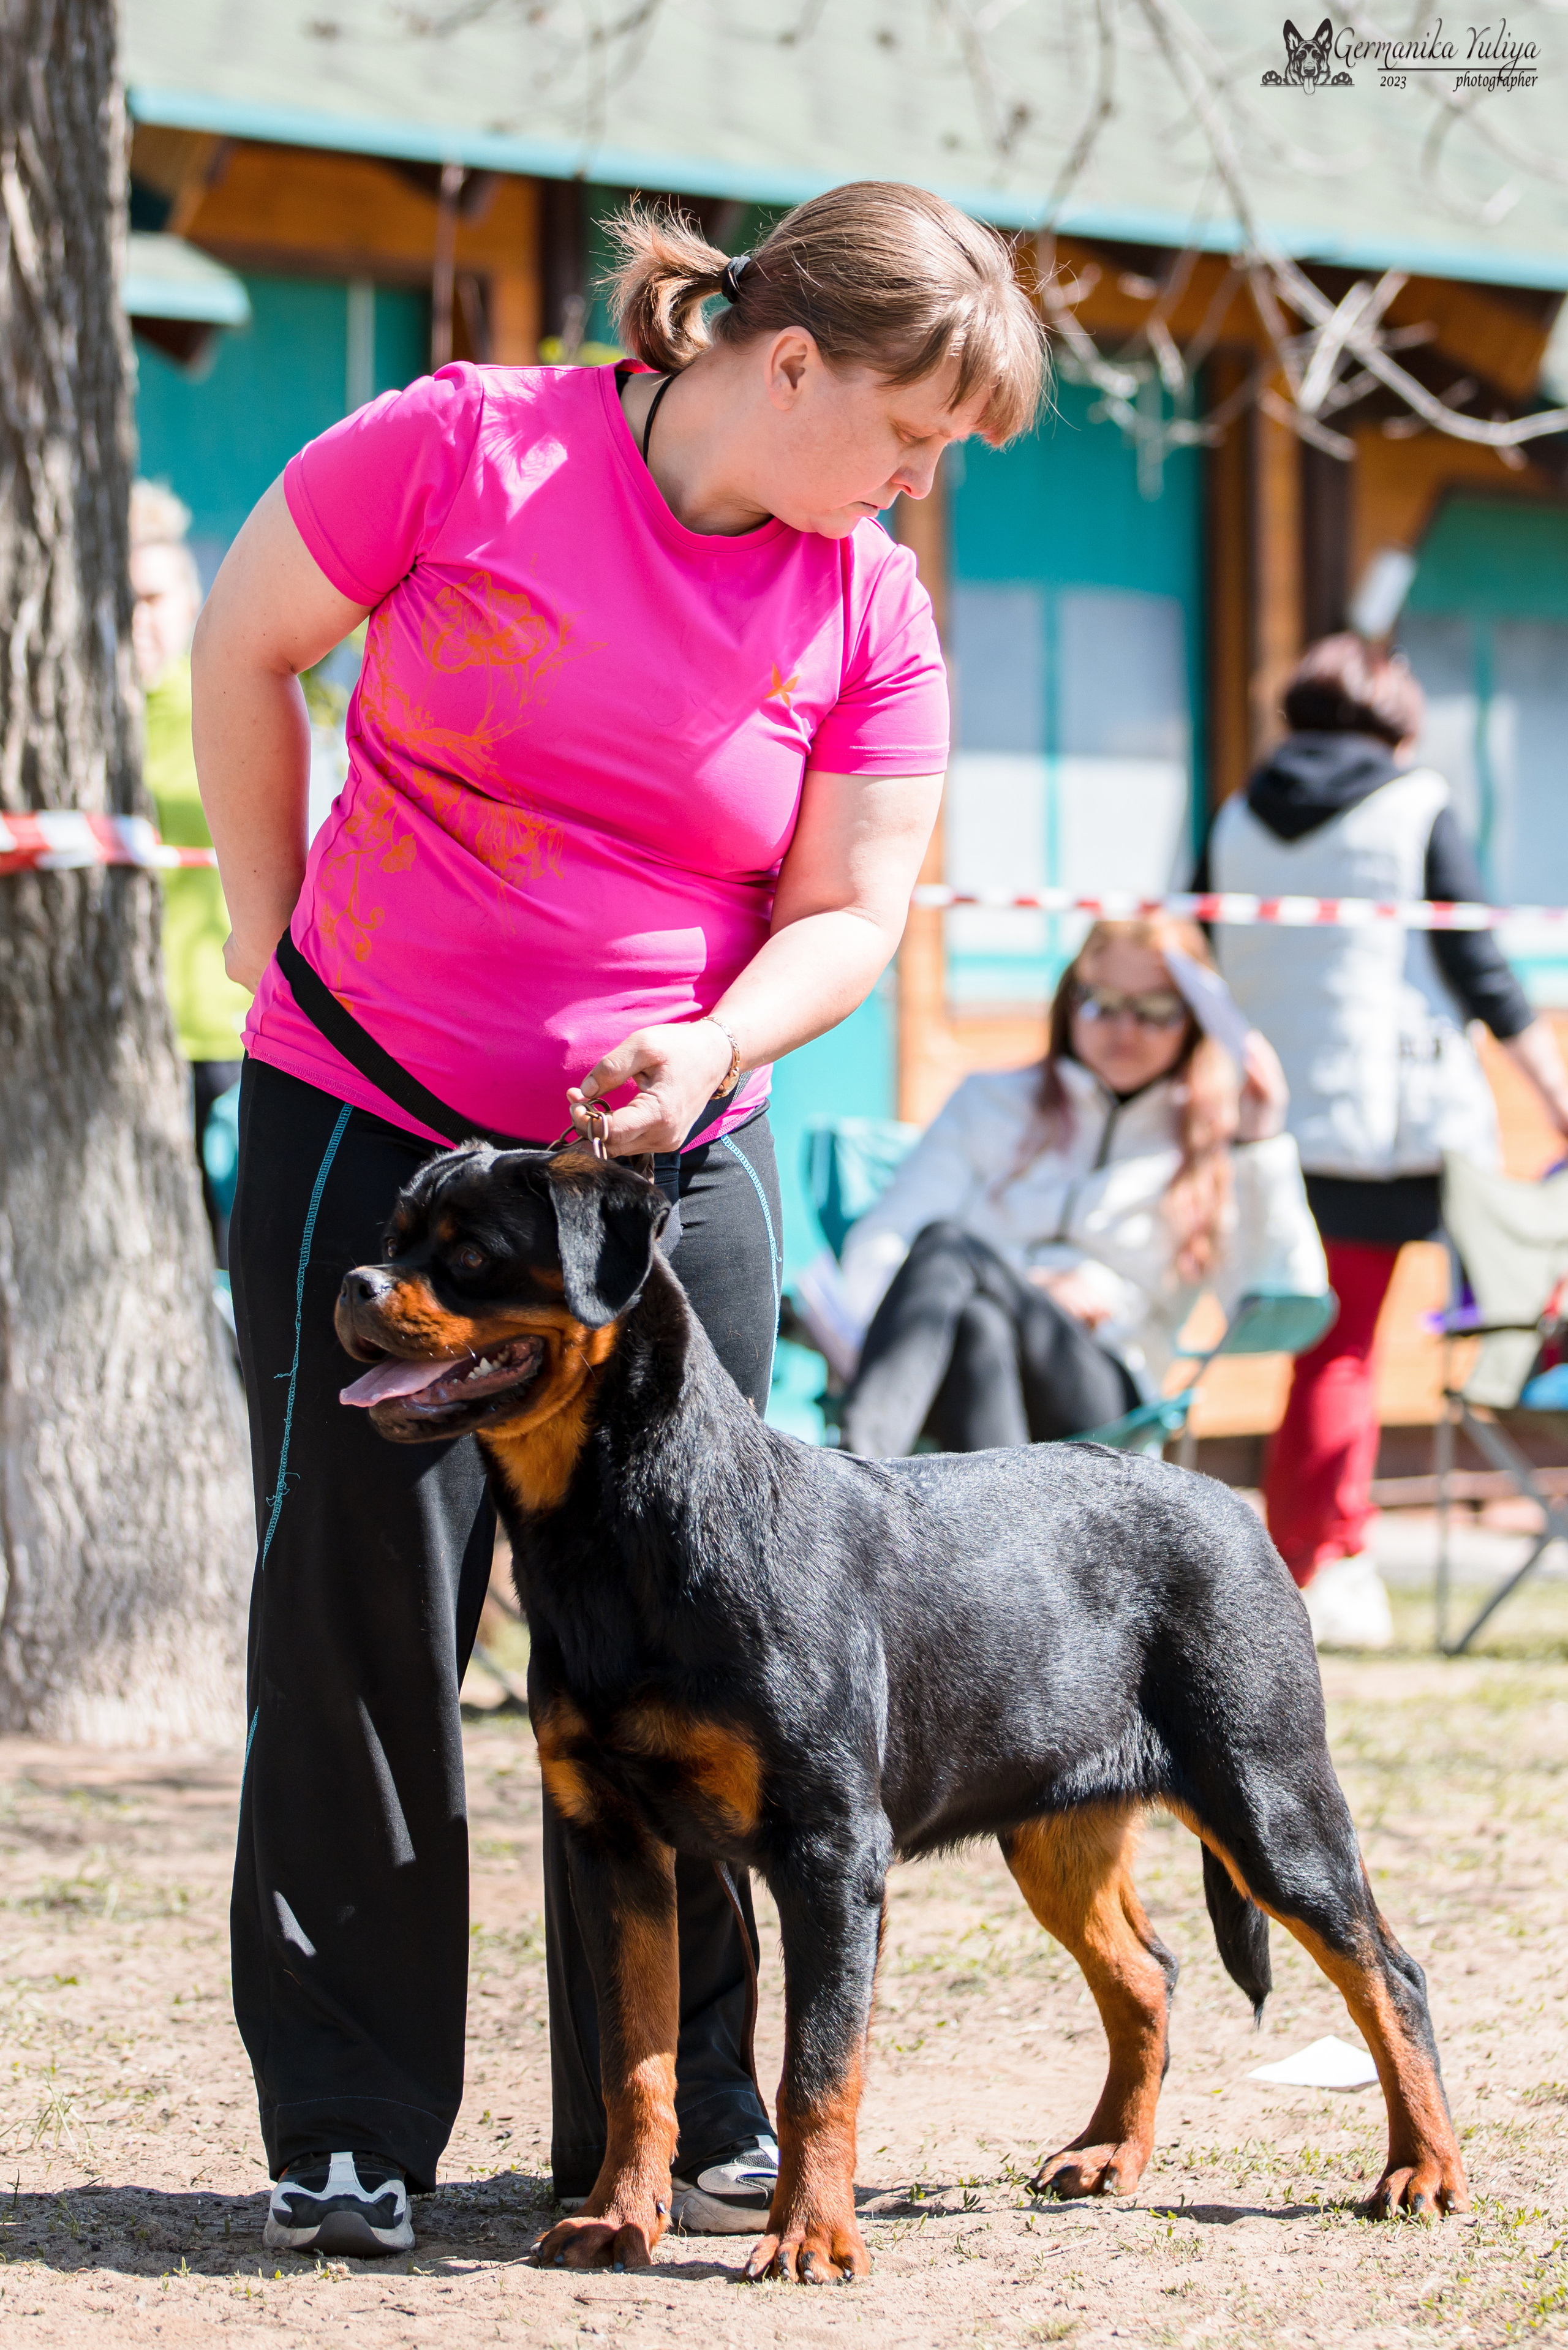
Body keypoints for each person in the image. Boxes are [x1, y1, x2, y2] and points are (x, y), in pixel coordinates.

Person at [190, 183, 1046, 2256]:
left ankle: (681, 2126)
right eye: (913, 431)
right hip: (368, 1118)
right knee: (358, 1618)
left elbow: (852, 906)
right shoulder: (468, 446)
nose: (922, 483)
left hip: (670, 1171)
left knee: (705, 1648)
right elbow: (245, 639)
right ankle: (348, 2121)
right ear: (785, 364)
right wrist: (263, 933)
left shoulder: (873, 602)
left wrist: (705, 1039)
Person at [1206, 634, 1568, 1648]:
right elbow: (1479, 964)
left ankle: (1330, 1545)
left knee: (1330, 1338)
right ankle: (1314, 1563)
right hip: (1394, 1120)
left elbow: (1205, 947)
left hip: (1277, 1116)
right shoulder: (1414, 803)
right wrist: (1554, 1090)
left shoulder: (1238, 813)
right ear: (1397, 725)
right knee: (1347, 1348)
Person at [839, 917, 1325, 1459]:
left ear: (1195, 1021)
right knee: (981, 1323)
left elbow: (1278, 1302)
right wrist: (1028, 1283)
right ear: (1069, 1002)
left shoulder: (1213, 1140)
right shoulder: (989, 1103)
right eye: (1101, 1002)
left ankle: (856, 1467)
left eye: (1157, 1009)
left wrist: (1261, 1145)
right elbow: (877, 1250)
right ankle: (1011, 1541)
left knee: (950, 1245)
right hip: (964, 1364)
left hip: (1109, 1388)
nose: (1125, 1028)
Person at [130, 481, 251, 1263]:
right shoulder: (77, 713)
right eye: (125, 600)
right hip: (125, 1032)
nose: (142, 621)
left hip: (224, 1024)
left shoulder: (223, 697)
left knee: (229, 1244)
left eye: (155, 597)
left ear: (190, 595)